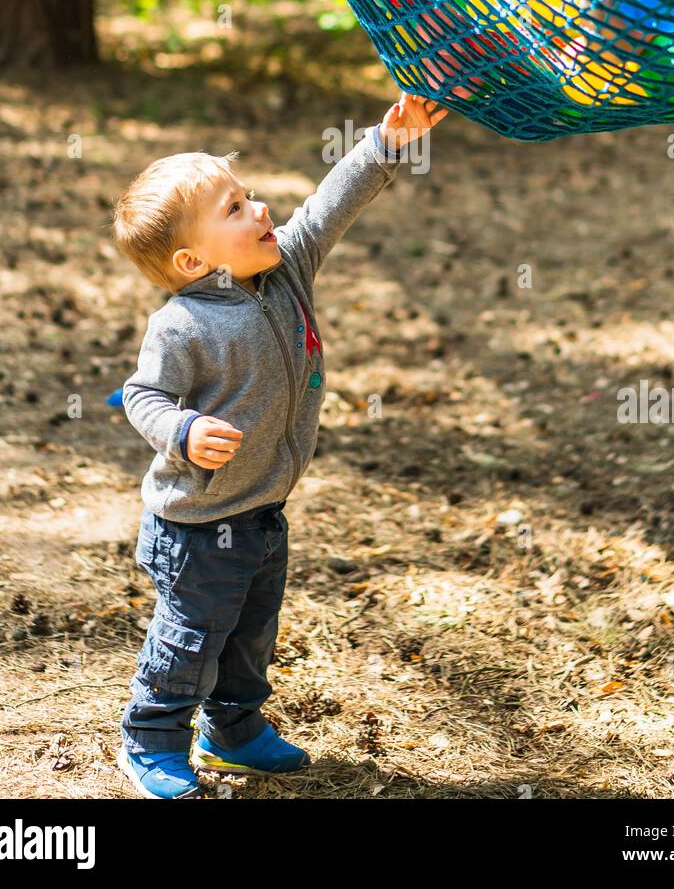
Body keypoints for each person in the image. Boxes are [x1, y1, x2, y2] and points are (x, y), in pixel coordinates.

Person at [111, 92, 448, 797]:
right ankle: (149, 739)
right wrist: (183, 431)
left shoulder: (286, 269)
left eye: (250, 196)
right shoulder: (180, 325)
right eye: (233, 210)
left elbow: (330, 204)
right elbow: (142, 396)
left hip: (262, 507)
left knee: (250, 634)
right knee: (191, 640)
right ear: (191, 259)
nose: (260, 210)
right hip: (197, 525)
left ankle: (232, 732)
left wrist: (385, 144)